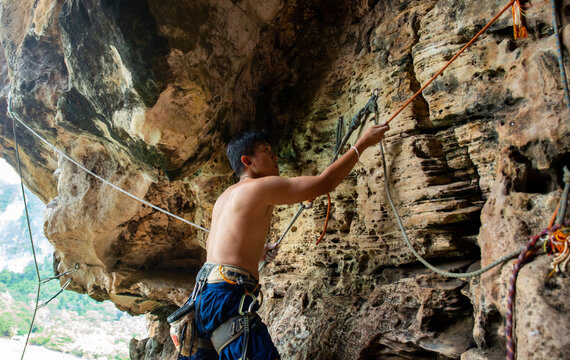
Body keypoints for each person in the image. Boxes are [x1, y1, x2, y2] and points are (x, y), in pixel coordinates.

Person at [185, 122, 390, 360]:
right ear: (247, 161)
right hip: (227, 295)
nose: (275, 156)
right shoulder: (257, 187)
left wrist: (256, 252)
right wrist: (362, 143)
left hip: (202, 296)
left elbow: (219, 245)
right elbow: (325, 183)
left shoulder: (224, 197)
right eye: (266, 150)